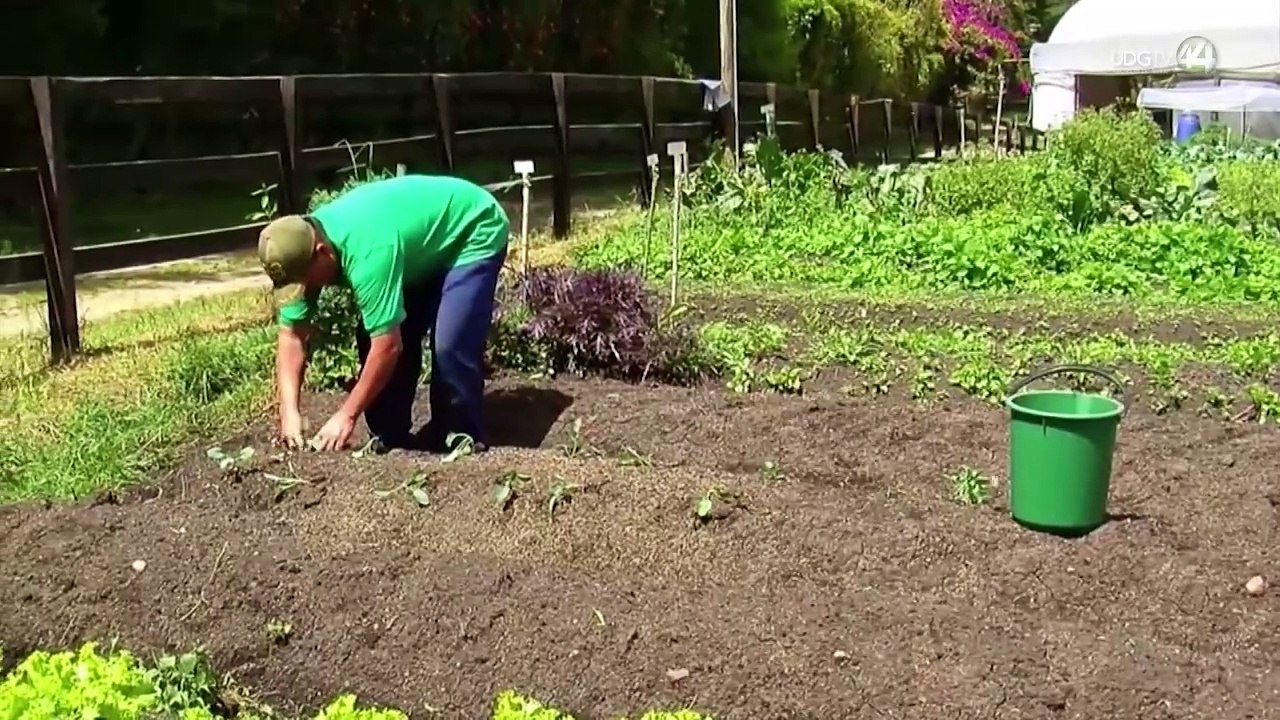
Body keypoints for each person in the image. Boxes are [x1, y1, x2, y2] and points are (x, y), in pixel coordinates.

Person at [257, 174, 510, 453]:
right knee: (371, 332)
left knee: (450, 343)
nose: (306, 289)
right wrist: (289, 412)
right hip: (419, 246)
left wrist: (346, 415)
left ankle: (460, 436)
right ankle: (390, 437)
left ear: (322, 252)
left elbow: (388, 346)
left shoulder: (368, 252)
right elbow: (291, 336)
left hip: (471, 229)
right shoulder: (298, 251)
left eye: (306, 280)